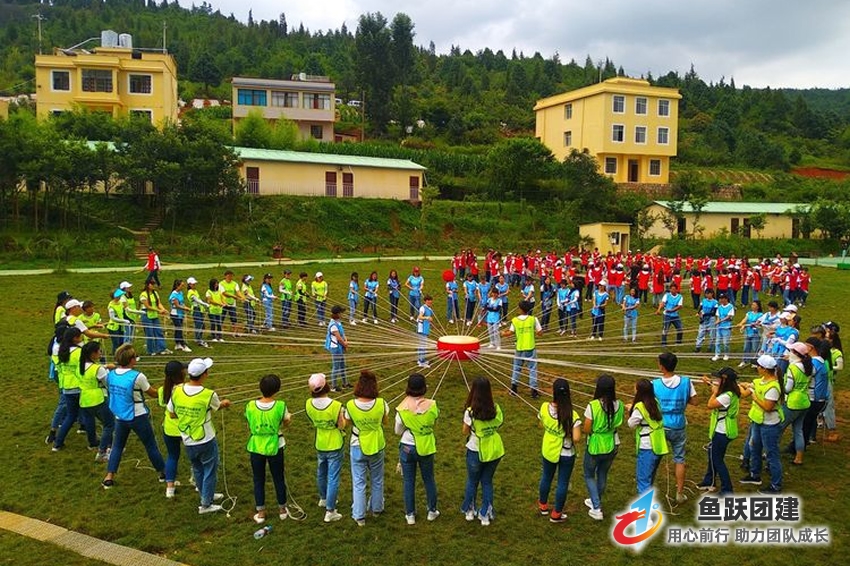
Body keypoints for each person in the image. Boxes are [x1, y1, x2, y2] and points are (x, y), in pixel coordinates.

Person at [169, 357, 232, 514]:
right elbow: (217, 406)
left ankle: (206, 494)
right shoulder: (209, 394)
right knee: (210, 469)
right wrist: (224, 403)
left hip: (187, 438)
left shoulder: (177, 391)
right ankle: (206, 504)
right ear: (204, 374)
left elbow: (172, 413)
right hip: (205, 439)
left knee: (197, 468)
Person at [101, 344, 166, 489]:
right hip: (138, 416)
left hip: (120, 416)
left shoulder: (111, 375)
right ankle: (163, 473)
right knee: (150, 445)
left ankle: (109, 476)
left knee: (117, 446)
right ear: (131, 360)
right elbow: (153, 393)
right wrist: (167, 389)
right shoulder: (138, 376)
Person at [344, 370, 389, 527]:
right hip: (377, 445)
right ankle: (377, 509)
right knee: (377, 479)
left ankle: (359, 515)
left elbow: (347, 422)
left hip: (357, 445)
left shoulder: (350, 405)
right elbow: (385, 422)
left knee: (358, 481)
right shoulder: (382, 403)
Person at [245, 374, 292, 524]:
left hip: (256, 446)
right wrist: (288, 420)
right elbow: (285, 422)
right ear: (277, 389)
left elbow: (249, 422)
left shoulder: (250, 405)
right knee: (278, 477)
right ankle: (282, 510)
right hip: (276, 445)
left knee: (258, 479)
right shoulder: (281, 406)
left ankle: (261, 513)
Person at [652, 352, 698, 504]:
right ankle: (679, 493)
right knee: (679, 459)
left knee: (654, 457)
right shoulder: (686, 382)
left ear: (662, 366)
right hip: (678, 425)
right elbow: (695, 401)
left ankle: (647, 488)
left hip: (660, 425)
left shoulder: (654, 384)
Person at [395, 373, 440, 525]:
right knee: (429, 479)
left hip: (407, 447)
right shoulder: (433, 406)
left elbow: (397, 431)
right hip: (426, 446)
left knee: (408, 481)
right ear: (424, 387)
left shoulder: (402, 408)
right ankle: (432, 511)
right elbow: (433, 422)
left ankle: (410, 515)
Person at [461, 377, 504, 527]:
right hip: (494, 450)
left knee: (472, 481)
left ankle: (469, 511)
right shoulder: (496, 409)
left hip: (475, 450)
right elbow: (499, 424)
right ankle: (485, 514)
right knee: (487, 481)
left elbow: (465, 431)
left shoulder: (470, 412)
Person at [537, 378, 581, 523]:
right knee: (562, 482)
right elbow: (577, 438)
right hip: (566, 453)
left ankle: (543, 505)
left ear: (553, 392)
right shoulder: (572, 415)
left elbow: (541, 424)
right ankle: (556, 514)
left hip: (549, 449)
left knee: (546, 477)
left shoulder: (544, 407)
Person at [739, 355, 784, 494]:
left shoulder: (773, 387)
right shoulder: (760, 381)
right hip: (758, 421)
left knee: (771, 454)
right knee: (754, 447)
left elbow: (768, 407)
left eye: (758, 366)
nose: (756, 368)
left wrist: (754, 396)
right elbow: (745, 392)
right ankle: (755, 475)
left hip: (769, 424)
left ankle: (776, 485)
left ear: (764, 369)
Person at [304, 373, 345, 523]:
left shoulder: (308, 404)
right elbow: (341, 425)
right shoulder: (336, 405)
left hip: (320, 441)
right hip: (334, 443)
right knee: (333, 477)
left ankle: (323, 498)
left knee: (321, 472)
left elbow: (312, 419)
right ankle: (330, 510)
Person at [583, 374, 624, 520]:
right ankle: (596, 500)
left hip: (595, 445)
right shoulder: (619, 405)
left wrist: (595, 433)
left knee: (589, 474)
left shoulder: (593, 406)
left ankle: (596, 507)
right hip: (612, 443)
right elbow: (618, 423)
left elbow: (587, 428)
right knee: (602, 473)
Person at [698, 367, 741, 496]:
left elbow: (710, 404)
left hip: (722, 432)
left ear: (724, 380)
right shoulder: (729, 392)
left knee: (717, 460)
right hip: (722, 430)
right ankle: (709, 480)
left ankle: (727, 489)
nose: (716, 380)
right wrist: (709, 383)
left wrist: (714, 392)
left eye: (718, 378)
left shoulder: (727, 396)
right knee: (713, 455)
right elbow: (716, 389)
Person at [627, 378, 668, 495]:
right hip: (658, 445)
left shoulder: (640, 406)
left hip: (646, 446)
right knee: (650, 477)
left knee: (643, 480)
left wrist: (632, 411)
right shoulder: (655, 402)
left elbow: (631, 424)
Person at [78, 341, 115, 463]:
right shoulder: (98, 369)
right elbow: (108, 383)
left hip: (84, 399)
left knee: (90, 421)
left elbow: (92, 370)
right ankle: (103, 451)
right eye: (99, 351)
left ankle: (93, 443)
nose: (101, 353)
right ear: (92, 354)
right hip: (98, 399)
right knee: (109, 424)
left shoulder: (80, 366)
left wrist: (105, 367)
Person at [51, 328, 86, 452]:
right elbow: (84, 367)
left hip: (67, 387)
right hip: (79, 386)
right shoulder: (79, 352)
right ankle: (94, 441)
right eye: (80, 336)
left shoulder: (61, 351)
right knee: (88, 414)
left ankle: (57, 443)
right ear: (75, 338)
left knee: (71, 416)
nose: (81, 337)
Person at [781, 341, 813, 466]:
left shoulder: (793, 368)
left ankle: (770, 454)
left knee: (779, 429)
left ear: (796, 354)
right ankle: (799, 458)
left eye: (791, 351)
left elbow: (788, 388)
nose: (789, 353)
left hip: (792, 403)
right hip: (804, 401)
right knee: (798, 430)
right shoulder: (808, 366)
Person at [159, 360, 186, 498]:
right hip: (186, 428)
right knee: (195, 457)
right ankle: (196, 481)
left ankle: (170, 488)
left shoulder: (162, 390)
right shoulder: (186, 389)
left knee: (172, 456)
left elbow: (163, 404)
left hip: (169, 428)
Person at [504, 300, 543, 398]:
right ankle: (534, 391)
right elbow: (540, 333)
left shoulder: (515, 320)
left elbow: (510, 333)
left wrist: (503, 333)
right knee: (532, 369)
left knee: (516, 368)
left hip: (519, 348)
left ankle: (514, 389)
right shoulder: (533, 319)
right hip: (530, 347)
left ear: (521, 309)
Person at [139, 279, 170, 356]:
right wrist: (159, 310)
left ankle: (161, 348)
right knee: (149, 333)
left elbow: (158, 303)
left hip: (154, 315)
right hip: (146, 315)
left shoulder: (155, 293)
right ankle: (151, 350)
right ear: (148, 285)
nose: (154, 286)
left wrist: (163, 309)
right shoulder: (143, 295)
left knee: (158, 332)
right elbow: (147, 306)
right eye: (152, 284)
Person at [325, 305, 350, 391]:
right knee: (336, 367)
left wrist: (346, 341)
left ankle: (345, 383)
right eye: (341, 313)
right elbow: (338, 338)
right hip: (336, 348)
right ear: (337, 314)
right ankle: (333, 386)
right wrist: (345, 344)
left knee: (343, 365)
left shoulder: (338, 322)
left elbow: (342, 334)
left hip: (340, 346)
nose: (342, 314)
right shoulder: (333, 325)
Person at [186, 277, 211, 349]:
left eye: (194, 284)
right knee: (199, 325)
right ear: (189, 284)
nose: (194, 285)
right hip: (196, 310)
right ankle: (198, 339)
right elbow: (197, 300)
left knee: (202, 325)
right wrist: (205, 304)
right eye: (193, 284)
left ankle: (198, 338)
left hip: (200, 309)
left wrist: (203, 305)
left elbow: (199, 299)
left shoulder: (195, 291)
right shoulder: (190, 292)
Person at [168, 279, 192, 353]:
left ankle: (178, 343)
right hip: (175, 314)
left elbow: (182, 303)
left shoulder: (180, 293)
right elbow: (177, 305)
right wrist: (185, 308)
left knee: (178, 329)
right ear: (177, 286)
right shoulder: (174, 295)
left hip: (180, 314)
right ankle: (182, 344)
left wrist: (185, 307)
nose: (183, 287)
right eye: (181, 285)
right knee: (179, 329)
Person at [737, 301, 763, 367]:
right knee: (746, 348)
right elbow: (745, 319)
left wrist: (748, 325)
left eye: (754, 305)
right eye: (752, 305)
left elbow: (758, 323)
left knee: (755, 348)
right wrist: (741, 324)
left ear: (758, 307)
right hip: (748, 332)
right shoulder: (749, 313)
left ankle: (756, 362)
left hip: (755, 333)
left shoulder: (760, 315)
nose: (752, 306)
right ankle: (745, 361)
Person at [711, 293, 735, 361]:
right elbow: (718, 316)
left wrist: (720, 321)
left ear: (726, 299)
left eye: (722, 299)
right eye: (720, 299)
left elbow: (729, 316)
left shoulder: (730, 307)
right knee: (717, 341)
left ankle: (726, 354)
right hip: (719, 327)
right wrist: (717, 321)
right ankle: (717, 354)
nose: (721, 300)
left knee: (725, 342)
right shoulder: (719, 307)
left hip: (726, 327)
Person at [219, 270, 243, 337]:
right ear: (225, 276)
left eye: (231, 276)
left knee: (234, 318)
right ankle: (219, 332)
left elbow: (238, 291)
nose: (230, 277)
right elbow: (224, 293)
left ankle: (235, 333)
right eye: (228, 275)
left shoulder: (235, 284)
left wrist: (242, 297)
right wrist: (234, 296)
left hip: (232, 304)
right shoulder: (221, 284)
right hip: (223, 303)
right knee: (221, 318)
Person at [416, 295, 434, 368]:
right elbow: (419, 317)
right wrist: (427, 317)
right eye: (428, 300)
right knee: (422, 345)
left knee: (422, 345)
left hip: (425, 328)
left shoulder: (428, 308)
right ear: (425, 301)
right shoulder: (422, 308)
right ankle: (421, 362)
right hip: (422, 329)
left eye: (430, 300)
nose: (430, 302)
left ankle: (420, 359)